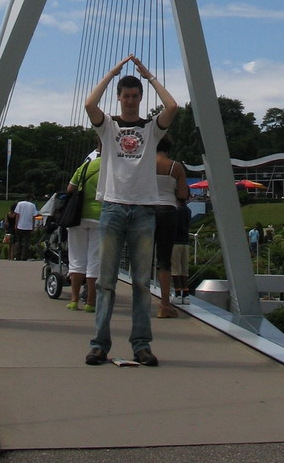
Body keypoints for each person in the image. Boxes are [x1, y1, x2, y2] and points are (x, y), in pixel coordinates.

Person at [84, 54, 177, 367]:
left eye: (136, 97)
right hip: (112, 207)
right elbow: (89, 104)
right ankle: (99, 344)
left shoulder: (151, 131)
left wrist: (148, 75)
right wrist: (112, 73)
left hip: (142, 212)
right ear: (120, 97)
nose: (131, 101)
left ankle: (142, 345)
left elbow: (173, 107)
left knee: (140, 282)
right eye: (126, 96)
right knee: (106, 281)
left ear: (140, 98)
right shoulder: (108, 128)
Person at [154, 134, 189, 318]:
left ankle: (140, 302)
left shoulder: (145, 164)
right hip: (168, 211)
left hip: (147, 210)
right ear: (168, 148)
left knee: (141, 258)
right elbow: (183, 194)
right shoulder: (176, 167)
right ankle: (164, 305)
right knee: (164, 260)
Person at [65, 148, 102, 312]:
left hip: (78, 216)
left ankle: (74, 299)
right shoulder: (114, 167)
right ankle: (90, 301)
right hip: (101, 217)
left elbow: (70, 189)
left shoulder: (86, 166)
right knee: (95, 260)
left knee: (77, 259)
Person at [171, 201, 192, 304]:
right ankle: (186, 294)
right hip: (186, 242)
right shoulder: (188, 210)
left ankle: (178, 293)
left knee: (175, 269)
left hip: (175, 242)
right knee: (185, 270)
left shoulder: (175, 211)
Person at [14, 195, 37, 261]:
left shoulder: (19, 204)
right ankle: (24, 257)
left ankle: (17, 256)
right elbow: (33, 217)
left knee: (19, 241)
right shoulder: (32, 205)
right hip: (28, 226)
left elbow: (17, 215)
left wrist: (16, 224)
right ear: (30, 199)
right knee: (26, 242)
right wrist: (33, 227)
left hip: (20, 225)